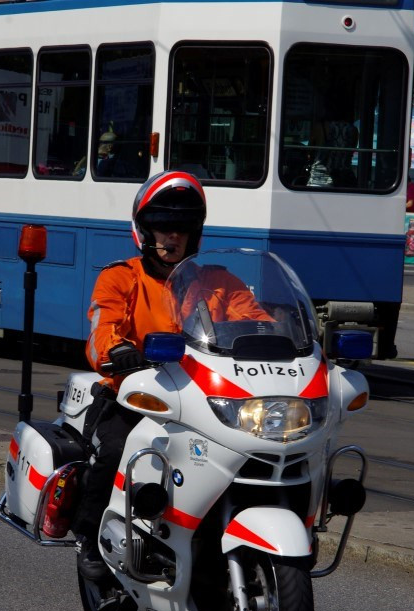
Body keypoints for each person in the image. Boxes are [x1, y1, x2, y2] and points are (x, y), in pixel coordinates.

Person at [73, 170, 270, 579]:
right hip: (140, 396)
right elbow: (99, 330)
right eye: (161, 227)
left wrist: (274, 337)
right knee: (114, 450)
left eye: (181, 228)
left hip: (206, 398)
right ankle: (90, 540)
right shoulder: (121, 277)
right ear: (143, 230)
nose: (171, 237)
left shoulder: (218, 281)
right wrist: (119, 350)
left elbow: (255, 320)